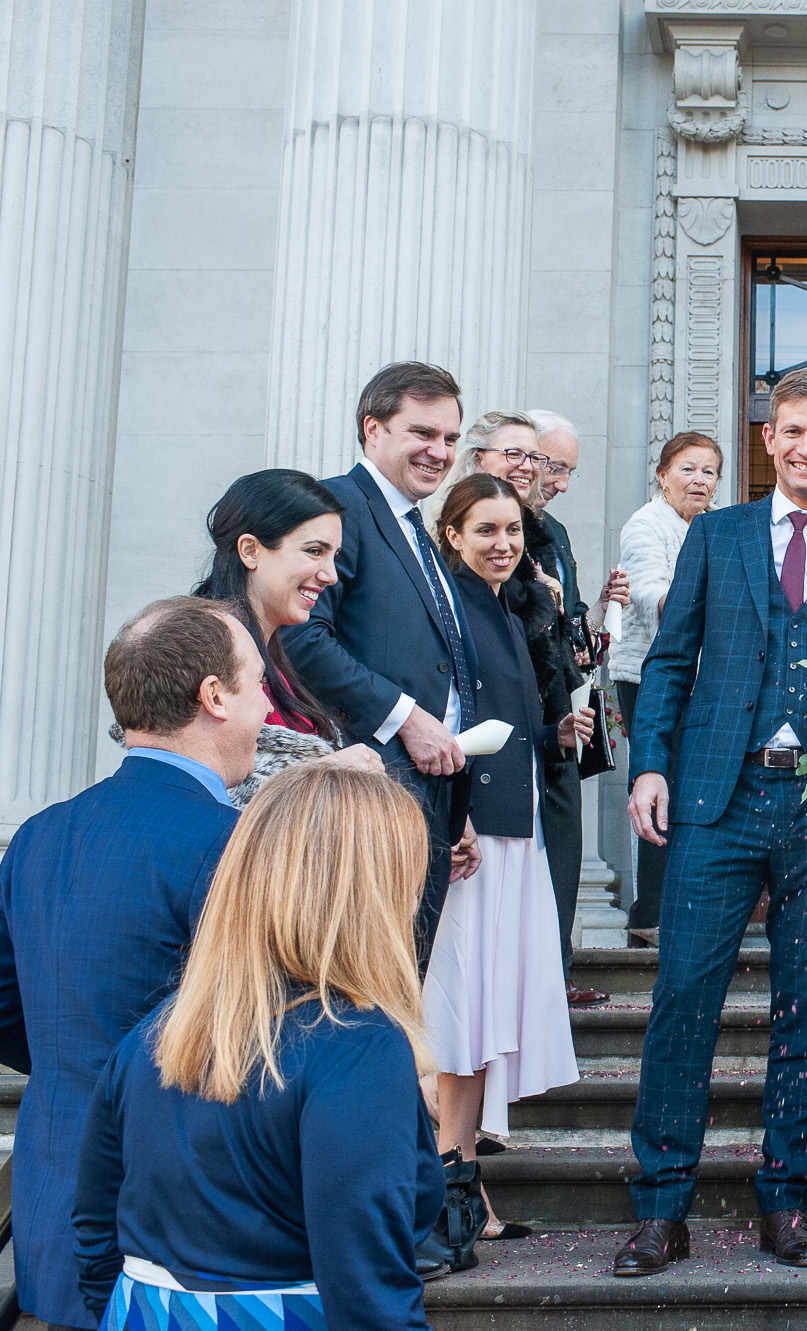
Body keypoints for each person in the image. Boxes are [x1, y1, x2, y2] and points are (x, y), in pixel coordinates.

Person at [616, 368, 807, 1275]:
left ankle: (785, 1197)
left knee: (805, 1007)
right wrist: (650, 762)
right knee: (682, 999)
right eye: (793, 432)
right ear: (769, 439)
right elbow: (668, 660)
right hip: (716, 793)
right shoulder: (716, 533)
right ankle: (662, 1207)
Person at [73, 764, 447, 1331]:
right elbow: (369, 1288)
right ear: (375, 895)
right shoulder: (360, 1048)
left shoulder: (157, 1030)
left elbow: (96, 1232)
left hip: (142, 1313)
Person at [0, 597, 258, 1331]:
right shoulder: (236, 845)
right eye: (258, 687)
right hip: (190, 1229)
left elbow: (6, 1011)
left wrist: (78, 1058)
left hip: (54, 1208)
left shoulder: (38, 835)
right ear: (213, 696)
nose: (266, 709)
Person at [281, 360, 481, 971]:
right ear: (373, 430)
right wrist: (407, 720)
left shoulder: (415, 525)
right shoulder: (338, 505)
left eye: (450, 438)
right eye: (422, 433)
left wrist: (455, 797)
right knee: (363, 980)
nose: (440, 452)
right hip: (370, 787)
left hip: (428, 791)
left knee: (401, 980)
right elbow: (301, 637)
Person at [427, 473, 586, 1235]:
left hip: (513, 827)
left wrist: (553, 731)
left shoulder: (506, 605)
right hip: (472, 836)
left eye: (513, 530)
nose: (503, 543)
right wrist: (450, 818)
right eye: (485, 529)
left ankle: (464, 1186)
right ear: (451, 534)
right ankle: (446, 1188)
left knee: (484, 1016)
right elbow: (444, 720)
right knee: (460, 1017)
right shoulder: (448, 605)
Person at [190, 469, 386, 801]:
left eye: (334, 556)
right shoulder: (202, 651)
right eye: (314, 551)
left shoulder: (271, 655)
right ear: (251, 551)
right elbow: (202, 792)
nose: (330, 575)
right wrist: (326, 772)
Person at [528, 407, 628, 1004]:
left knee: (564, 842)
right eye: (555, 467)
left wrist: (596, 611)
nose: (561, 483)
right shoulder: (500, 528)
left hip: (569, 707)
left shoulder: (556, 535)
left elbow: (568, 630)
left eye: (568, 472)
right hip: (525, 714)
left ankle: (556, 968)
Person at [611, 430, 722, 947]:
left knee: (686, 792)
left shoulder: (711, 527)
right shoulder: (646, 523)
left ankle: (673, 911)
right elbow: (646, 590)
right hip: (647, 676)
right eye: (688, 469)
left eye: (709, 471)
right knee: (658, 788)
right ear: (662, 475)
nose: (699, 480)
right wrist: (704, 616)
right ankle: (648, 916)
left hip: (698, 679)